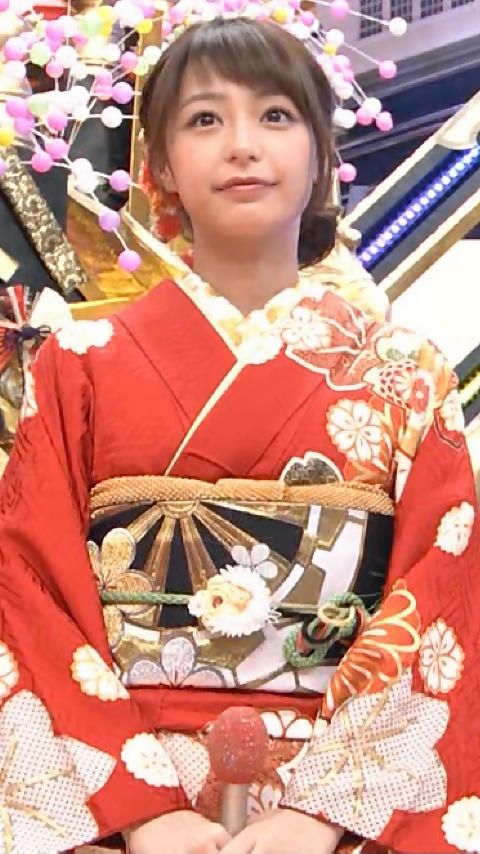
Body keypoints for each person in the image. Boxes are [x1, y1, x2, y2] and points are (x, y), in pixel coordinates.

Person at [0, 16, 478, 854]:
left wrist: (324, 810)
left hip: (333, 804)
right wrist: (142, 810)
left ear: (322, 157)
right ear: (160, 168)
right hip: (130, 792)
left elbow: (447, 597)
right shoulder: (77, 364)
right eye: (205, 119)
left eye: (276, 115)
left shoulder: (407, 373)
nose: (242, 145)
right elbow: (26, 591)